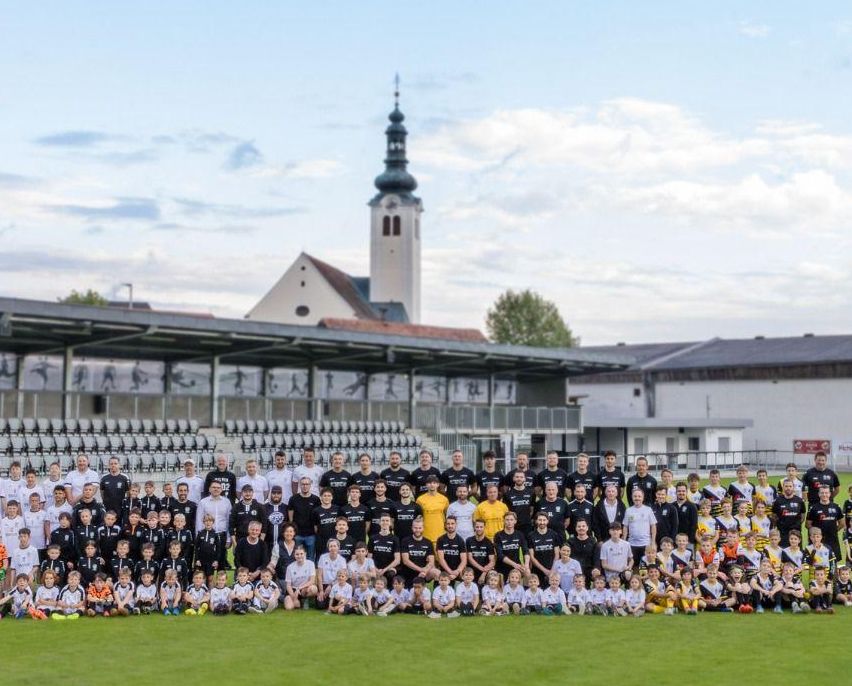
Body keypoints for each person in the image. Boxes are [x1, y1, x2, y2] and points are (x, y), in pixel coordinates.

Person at [195, 481, 231, 573]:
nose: (216, 489)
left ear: (221, 489)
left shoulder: (226, 502)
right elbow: (199, 520)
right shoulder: (203, 502)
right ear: (209, 489)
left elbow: (229, 521)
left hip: (221, 535)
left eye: (218, 488)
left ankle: (221, 582)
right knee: (205, 565)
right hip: (206, 535)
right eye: (214, 487)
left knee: (221, 563)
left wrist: (228, 538)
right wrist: (199, 536)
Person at [806, 484, 844, 562]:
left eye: (826, 493)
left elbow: (842, 523)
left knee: (833, 563)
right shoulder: (813, 508)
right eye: (822, 493)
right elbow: (808, 524)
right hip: (818, 541)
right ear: (819, 494)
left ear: (830, 494)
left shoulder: (836, 507)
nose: (824, 495)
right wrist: (816, 535)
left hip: (832, 540)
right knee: (816, 562)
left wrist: (834, 531)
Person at [288, 478, 321, 560]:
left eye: (307, 484)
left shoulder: (316, 499)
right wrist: (292, 530)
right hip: (297, 534)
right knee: (297, 557)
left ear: (310, 485)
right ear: (300, 485)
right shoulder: (293, 499)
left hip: (311, 534)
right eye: (303, 484)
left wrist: (316, 531)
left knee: (310, 558)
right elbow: (290, 516)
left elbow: (317, 517)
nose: (305, 486)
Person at [400, 517, 439, 585]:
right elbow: (406, 561)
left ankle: (437, 591)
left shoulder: (428, 542)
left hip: (423, 574)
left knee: (437, 572)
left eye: (419, 528)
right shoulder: (405, 541)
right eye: (415, 528)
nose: (417, 530)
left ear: (423, 528)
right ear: (412, 528)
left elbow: (431, 562)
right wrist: (420, 570)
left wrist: (425, 571)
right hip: (408, 572)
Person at [494, 511, 529, 581]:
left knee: (527, 571)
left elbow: (526, 551)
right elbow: (500, 555)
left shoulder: (520, 534)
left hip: (517, 566)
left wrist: (526, 564)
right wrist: (514, 564)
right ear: (504, 521)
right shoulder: (498, 535)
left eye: (511, 520)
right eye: (507, 520)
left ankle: (526, 588)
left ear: (515, 521)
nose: (509, 522)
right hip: (502, 566)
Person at [528, 512, 561, 585]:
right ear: (536, 521)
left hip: (552, 569)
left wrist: (552, 570)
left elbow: (557, 554)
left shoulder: (554, 534)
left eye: (544, 520)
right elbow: (532, 557)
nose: (542, 522)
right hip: (537, 570)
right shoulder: (531, 535)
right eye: (540, 520)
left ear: (547, 521)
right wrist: (544, 570)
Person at [415, 475, 449, 544]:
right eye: (429, 483)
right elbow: (417, 517)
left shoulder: (444, 499)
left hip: (440, 533)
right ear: (426, 485)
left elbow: (447, 515)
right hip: (425, 534)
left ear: (438, 485)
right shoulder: (420, 500)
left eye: (434, 483)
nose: (432, 485)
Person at [772, 478, 805, 547]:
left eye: (790, 486)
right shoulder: (777, 501)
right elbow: (774, 516)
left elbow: (802, 516)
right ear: (783, 487)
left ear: (793, 487)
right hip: (782, 533)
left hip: (796, 533)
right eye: (786, 486)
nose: (788, 488)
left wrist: (796, 525)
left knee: (797, 552)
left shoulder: (799, 501)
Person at [283, 546, 317, 610]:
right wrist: (294, 597)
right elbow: (288, 585)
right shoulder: (290, 567)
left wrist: (299, 588)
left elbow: (312, 581)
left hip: (304, 589)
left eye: (301, 554)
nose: (299, 556)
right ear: (294, 555)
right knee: (289, 607)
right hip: (293, 590)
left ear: (305, 554)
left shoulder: (311, 564)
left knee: (313, 589)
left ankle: (305, 599)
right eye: (297, 554)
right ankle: (299, 602)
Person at [316, 539, 347, 609]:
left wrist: (331, 585)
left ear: (338, 547)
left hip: (336, 584)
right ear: (328, 548)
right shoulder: (322, 557)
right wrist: (321, 591)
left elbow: (342, 576)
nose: (333, 548)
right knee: (320, 605)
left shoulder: (342, 560)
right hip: (324, 584)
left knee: (333, 602)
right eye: (331, 546)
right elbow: (319, 575)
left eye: (335, 546)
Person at [435, 515, 467, 582]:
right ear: (445, 525)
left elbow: (464, 560)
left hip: (457, 571)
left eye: (452, 523)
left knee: (465, 576)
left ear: (456, 525)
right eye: (448, 524)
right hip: (444, 570)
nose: (450, 526)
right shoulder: (440, 539)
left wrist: (457, 571)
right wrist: (450, 572)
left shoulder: (460, 540)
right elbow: (441, 559)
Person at [503, 469, 535, 535]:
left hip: (527, 526)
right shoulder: (507, 494)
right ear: (513, 479)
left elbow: (532, 509)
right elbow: (506, 512)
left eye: (521, 477)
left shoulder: (531, 493)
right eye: (517, 477)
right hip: (513, 525)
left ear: (525, 479)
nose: (519, 479)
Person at [465, 519, 496, 586]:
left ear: (484, 527)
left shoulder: (488, 542)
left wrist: (484, 573)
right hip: (472, 570)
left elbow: (492, 561)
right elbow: (470, 558)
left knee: (492, 573)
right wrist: (482, 569)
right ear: (474, 527)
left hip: (485, 571)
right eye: (477, 527)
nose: (479, 529)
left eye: (481, 527)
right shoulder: (469, 540)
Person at [194, 513, 221, 585]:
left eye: (210, 521)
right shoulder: (200, 533)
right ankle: (202, 591)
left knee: (210, 578)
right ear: (203, 522)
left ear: (213, 522)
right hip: (201, 559)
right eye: (206, 521)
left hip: (211, 559)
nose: (208, 523)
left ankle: (210, 591)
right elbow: (196, 548)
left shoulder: (215, 534)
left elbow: (218, 549)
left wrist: (216, 560)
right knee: (201, 578)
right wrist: (197, 559)